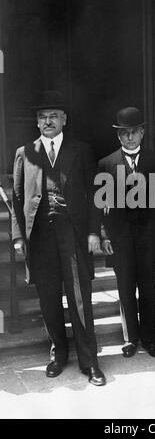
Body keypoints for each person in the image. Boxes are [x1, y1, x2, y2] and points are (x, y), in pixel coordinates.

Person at [11, 90, 106, 387]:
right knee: (49, 299)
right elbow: (16, 199)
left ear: (64, 119)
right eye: (42, 117)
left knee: (80, 299)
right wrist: (18, 236)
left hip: (72, 233)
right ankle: (58, 355)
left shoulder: (81, 150)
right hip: (39, 237)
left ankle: (90, 362)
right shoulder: (24, 153)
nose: (47, 121)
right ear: (37, 123)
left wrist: (93, 232)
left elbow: (94, 196)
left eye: (53, 116)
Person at [98, 106, 155, 358]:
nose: (129, 137)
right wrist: (104, 234)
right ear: (119, 136)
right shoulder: (106, 164)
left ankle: (150, 339)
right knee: (125, 287)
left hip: (148, 235)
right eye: (124, 133)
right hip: (121, 236)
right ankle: (130, 339)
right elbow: (100, 205)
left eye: (134, 132)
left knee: (148, 287)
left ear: (142, 133)